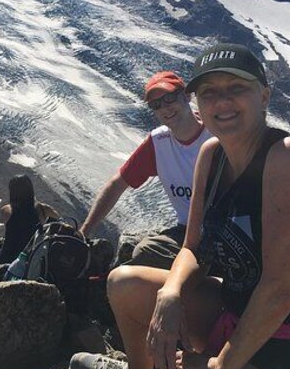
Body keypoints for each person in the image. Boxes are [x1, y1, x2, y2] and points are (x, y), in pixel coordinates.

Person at [84, 43, 290, 369]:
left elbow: (280, 289)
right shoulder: (211, 154)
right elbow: (193, 246)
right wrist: (171, 292)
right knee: (124, 283)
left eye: (237, 88)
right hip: (236, 315)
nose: (222, 102)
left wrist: (217, 368)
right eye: (209, 92)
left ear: (264, 96)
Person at [81, 70, 211, 269]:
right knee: (144, 252)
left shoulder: (217, 132)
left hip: (226, 232)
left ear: (186, 95)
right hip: (186, 231)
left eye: (169, 98)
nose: (165, 108)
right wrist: (85, 231)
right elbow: (118, 183)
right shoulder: (159, 143)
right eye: (156, 105)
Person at [0, 175, 47, 264]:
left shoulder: (6, 210)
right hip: (30, 258)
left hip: (7, 257)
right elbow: (59, 220)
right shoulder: (42, 209)